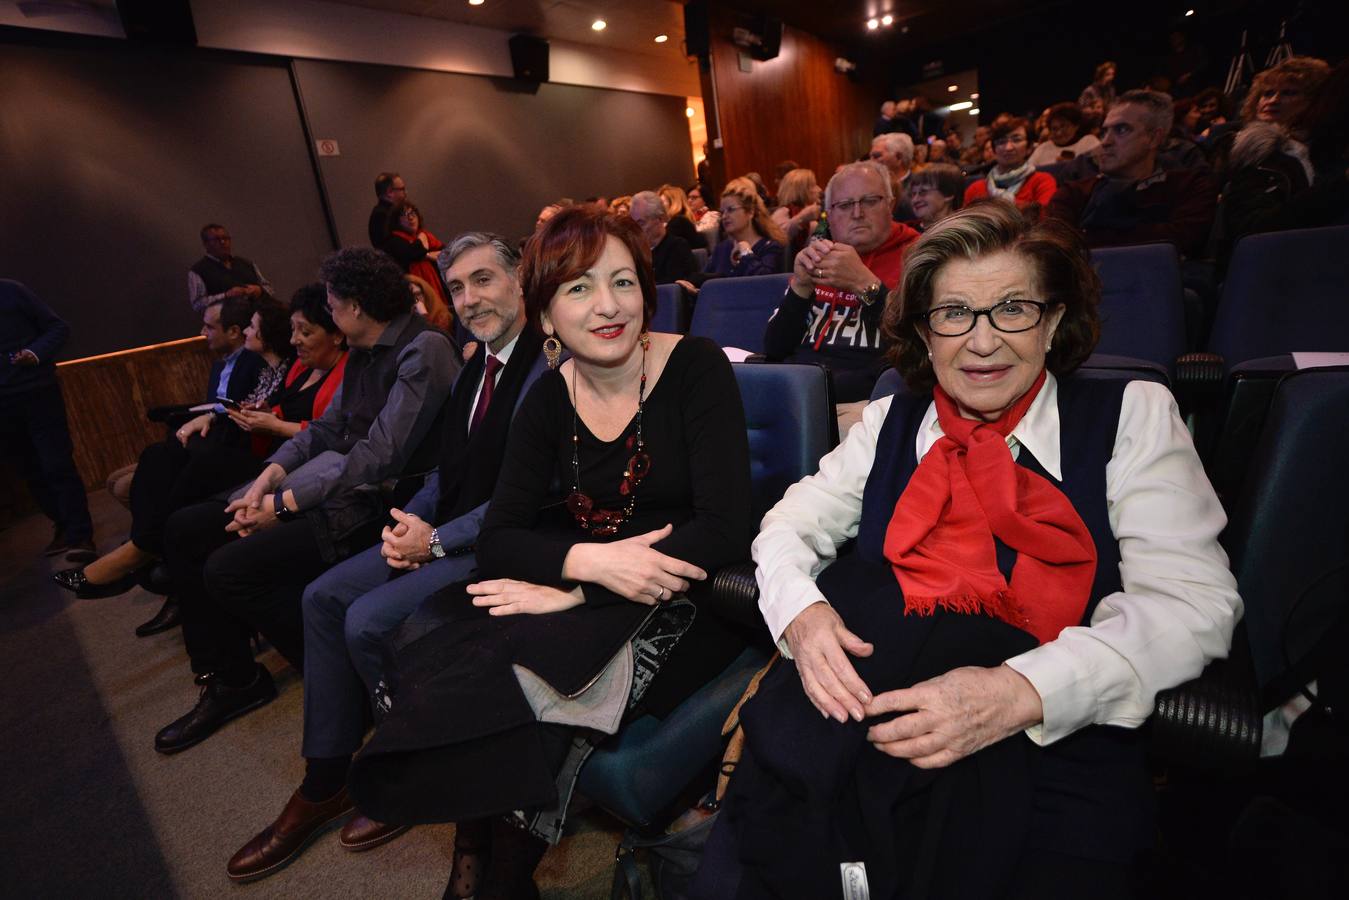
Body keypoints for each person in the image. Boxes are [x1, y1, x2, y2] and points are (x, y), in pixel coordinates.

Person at [695, 201, 1240, 899]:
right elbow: (787, 527)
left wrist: (1020, 692)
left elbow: (1192, 603)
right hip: (865, 711)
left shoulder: (1130, 416)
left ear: (1054, 321)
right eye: (952, 313)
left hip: (1051, 730)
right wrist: (802, 612)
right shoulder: (891, 420)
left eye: (1011, 309)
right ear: (923, 335)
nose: (981, 343)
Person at [345, 207, 753, 900]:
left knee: (527, 682)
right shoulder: (547, 398)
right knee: (445, 626)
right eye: (577, 289)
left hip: (689, 592)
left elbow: (722, 527)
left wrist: (579, 591)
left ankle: (495, 878)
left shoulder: (696, 366)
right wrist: (587, 568)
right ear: (543, 317)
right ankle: (475, 857)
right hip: (590, 571)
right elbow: (501, 536)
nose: (607, 306)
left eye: (622, 282)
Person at [224, 233, 549, 882]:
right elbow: (443, 468)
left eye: (483, 280)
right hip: (441, 521)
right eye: (456, 287)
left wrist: (430, 537)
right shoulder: (478, 362)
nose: (469, 298)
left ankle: (406, 761)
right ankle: (327, 776)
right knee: (321, 598)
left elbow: (523, 497)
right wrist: (416, 520)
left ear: (520, 282)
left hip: (503, 539)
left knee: (365, 619)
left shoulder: (542, 366)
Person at [152, 248, 458, 755]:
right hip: (340, 487)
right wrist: (268, 477)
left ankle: (330, 687)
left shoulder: (422, 349)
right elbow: (326, 430)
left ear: (356, 307)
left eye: (333, 307)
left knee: (229, 568)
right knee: (191, 529)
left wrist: (284, 502)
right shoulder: (364, 350)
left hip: (387, 502)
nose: (330, 317)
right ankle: (237, 676)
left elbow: (379, 456)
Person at [52, 295, 283, 601]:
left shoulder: (266, 364)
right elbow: (238, 406)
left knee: (152, 476)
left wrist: (228, 415)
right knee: (155, 456)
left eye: (252, 328)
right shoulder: (257, 368)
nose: (247, 333)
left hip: (249, 450)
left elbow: (273, 417)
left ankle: (139, 553)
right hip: (228, 439)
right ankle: (144, 550)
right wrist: (215, 415)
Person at [762, 161, 921, 428]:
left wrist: (866, 286)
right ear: (830, 215)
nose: (857, 213)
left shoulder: (920, 255)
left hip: (869, 403)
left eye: (869, 200)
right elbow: (774, 348)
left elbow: (918, 348)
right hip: (795, 397)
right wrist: (800, 289)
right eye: (845, 205)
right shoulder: (818, 257)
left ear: (890, 205)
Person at [1048, 89, 1218, 258]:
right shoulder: (1073, 193)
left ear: (1154, 138)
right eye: (1104, 132)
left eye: (1121, 130)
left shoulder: (1191, 186)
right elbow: (1057, 247)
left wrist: (1092, 234)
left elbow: (1183, 240)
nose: (1106, 142)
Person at [1214, 59, 1348, 272]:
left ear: (1316, 101)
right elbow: (1253, 230)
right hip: (1270, 272)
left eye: (1289, 93)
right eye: (1267, 93)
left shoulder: (1328, 152)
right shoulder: (1255, 153)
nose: (1273, 100)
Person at [0, 279, 94, 561]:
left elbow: (58, 327)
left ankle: (81, 535)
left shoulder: (12, 291)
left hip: (37, 392)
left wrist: (34, 353)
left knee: (57, 463)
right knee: (28, 468)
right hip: (3, 402)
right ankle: (64, 526)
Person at [963, 117, 1058, 217]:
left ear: (1029, 147)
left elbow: (1044, 220)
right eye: (1001, 142)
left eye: (1016, 140)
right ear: (994, 149)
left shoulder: (1042, 181)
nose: (1008, 147)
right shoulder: (975, 188)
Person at [705, 178, 786, 277]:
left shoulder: (770, 247)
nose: (724, 216)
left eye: (731, 210)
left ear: (750, 212)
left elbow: (764, 281)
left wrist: (746, 252)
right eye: (722, 212)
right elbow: (705, 280)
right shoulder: (722, 249)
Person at [382, 200, 449, 314]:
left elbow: (445, 253)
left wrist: (424, 253)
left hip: (437, 287)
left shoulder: (428, 236)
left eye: (412, 213)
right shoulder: (394, 242)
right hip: (414, 295)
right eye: (404, 215)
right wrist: (426, 252)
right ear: (396, 221)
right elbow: (413, 252)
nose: (411, 218)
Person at [188, 224, 272, 314]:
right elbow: (197, 304)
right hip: (224, 323)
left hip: (255, 321)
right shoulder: (198, 270)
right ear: (206, 244)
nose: (223, 242)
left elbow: (269, 288)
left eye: (226, 238)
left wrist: (259, 290)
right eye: (216, 239)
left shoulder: (246, 263)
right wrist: (226, 295)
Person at [630, 191, 702, 288]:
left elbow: (671, 287)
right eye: (633, 225)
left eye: (641, 223)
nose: (636, 230)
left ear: (660, 219)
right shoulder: (634, 253)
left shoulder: (677, 247)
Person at [1027, 102, 1102, 166]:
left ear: (1076, 126)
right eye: (1054, 129)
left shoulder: (1089, 142)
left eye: (1064, 126)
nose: (1059, 133)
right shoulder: (1042, 149)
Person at [770, 168, 823, 254]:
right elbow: (779, 239)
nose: (819, 189)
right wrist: (803, 217)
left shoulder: (814, 220)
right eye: (813, 185)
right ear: (801, 190)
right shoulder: (783, 212)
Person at [869, 132, 918, 220]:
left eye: (877, 156)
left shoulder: (918, 188)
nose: (871, 162)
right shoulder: (868, 187)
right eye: (871, 157)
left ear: (898, 158)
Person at [907, 163, 964, 231]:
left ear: (948, 194)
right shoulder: (906, 233)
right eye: (913, 194)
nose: (915, 200)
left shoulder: (963, 232)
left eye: (923, 192)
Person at [655, 184, 703, 249]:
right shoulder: (678, 221)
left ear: (673, 203)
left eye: (661, 203)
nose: (657, 207)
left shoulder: (679, 222)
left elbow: (662, 248)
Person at [368, 172, 407, 247]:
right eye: (402, 189)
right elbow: (399, 248)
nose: (405, 193)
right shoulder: (383, 215)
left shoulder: (383, 212)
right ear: (390, 192)